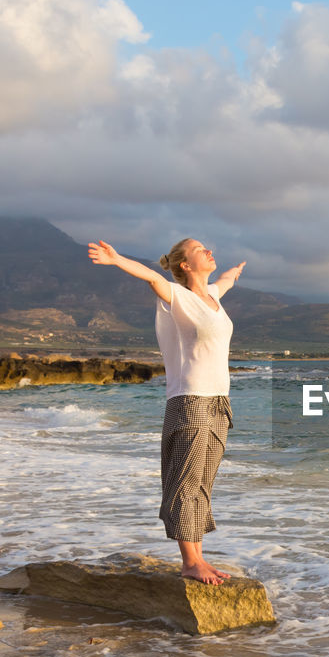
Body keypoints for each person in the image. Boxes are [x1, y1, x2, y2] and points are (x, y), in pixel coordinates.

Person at [88, 238, 246, 585]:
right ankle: (190, 562)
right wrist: (117, 260)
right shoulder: (178, 297)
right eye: (199, 249)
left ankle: (198, 558)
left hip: (218, 402)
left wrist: (234, 274)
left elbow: (223, 284)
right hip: (190, 401)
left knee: (202, 484)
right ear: (184, 266)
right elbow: (152, 277)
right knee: (185, 482)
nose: (209, 250)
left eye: (209, 246)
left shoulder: (212, 298)